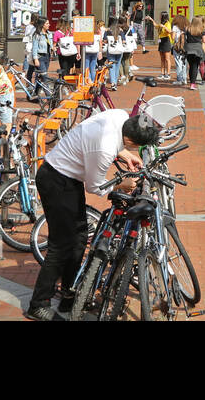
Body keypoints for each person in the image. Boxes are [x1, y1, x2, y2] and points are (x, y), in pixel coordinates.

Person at [25, 109, 159, 321]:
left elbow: (108, 142)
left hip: (68, 177)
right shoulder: (104, 148)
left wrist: (125, 154)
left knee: (78, 239)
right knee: (60, 246)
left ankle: (70, 294)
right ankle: (38, 304)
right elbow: (95, 187)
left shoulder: (121, 116)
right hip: (56, 180)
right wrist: (121, 184)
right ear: (132, 140)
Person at [183, 16, 205, 91]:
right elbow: (204, 40)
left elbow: (184, 37)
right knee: (195, 67)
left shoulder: (188, 29)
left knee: (191, 66)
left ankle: (191, 82)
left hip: (189, 49)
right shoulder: (201, 30)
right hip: (197, 50)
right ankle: (192, 84)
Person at [156, 11, 173, 80]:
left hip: (166, 41)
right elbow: (156, 26)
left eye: (160, 15)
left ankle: (168, 74)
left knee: (167, 58)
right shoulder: (161, 23)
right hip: (161, 41)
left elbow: (169, 31)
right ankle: (162, 73)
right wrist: (151, 19)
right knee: (162, 58)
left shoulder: (167, 23)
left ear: (163, 16)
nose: (159, 16)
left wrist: (164, 27)